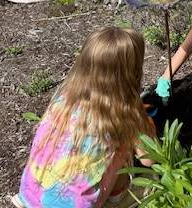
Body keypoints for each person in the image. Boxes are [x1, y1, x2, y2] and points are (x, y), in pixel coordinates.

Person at [14, 27, 155, 208]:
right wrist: (146, 124)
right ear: (132, 72)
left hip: (30, 197)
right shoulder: (126, 115)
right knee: (149, 177)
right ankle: (116, 199)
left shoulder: (64, 97)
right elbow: (149, 159)